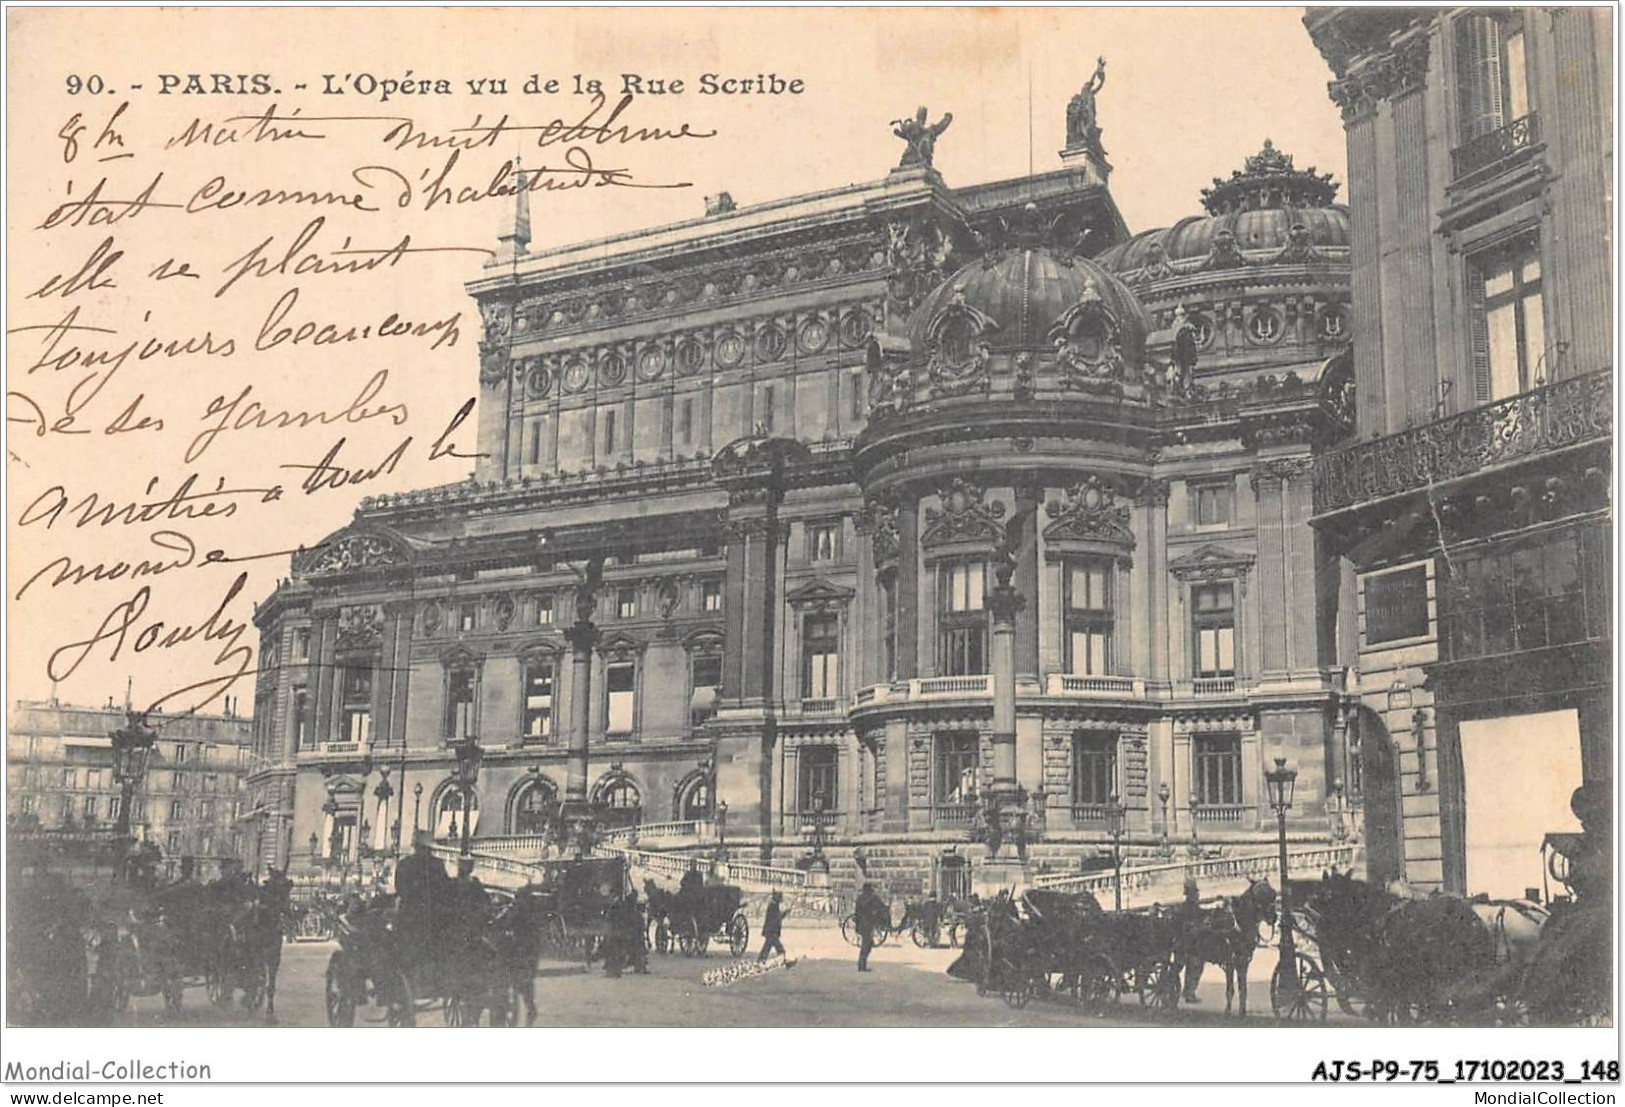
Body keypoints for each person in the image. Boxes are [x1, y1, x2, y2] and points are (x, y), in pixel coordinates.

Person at [1177, 876, 1205, 1003]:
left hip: (1191, 945)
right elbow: (1185, 927)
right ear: (1191, 894)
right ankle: (1188, 993)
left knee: (1194, 967)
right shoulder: (1187, 908)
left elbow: (1203, 914)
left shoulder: (1192, 907)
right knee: (1193, 967)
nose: (1197, 895)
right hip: (1185, 945)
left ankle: (1188, 992)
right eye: (1195, 893)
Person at [854, 883, 886, 972]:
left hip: (861, 923)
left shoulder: (859, 898)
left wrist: (856, 926)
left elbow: (856, 913)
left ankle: (862, 964)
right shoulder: (873, 898)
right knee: (867, 944)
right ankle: (861, 965)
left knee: (867, 943)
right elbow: (881, 907)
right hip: (869, 923)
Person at [758, 891, 787, 963]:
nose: (781, 899)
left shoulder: (773, 904)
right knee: (779, 948)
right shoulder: (773, 905)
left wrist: (784, 914)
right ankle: (784, 961)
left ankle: (760, 960)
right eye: (780, 897)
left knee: (767, 947)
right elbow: (777, 918)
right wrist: (784, 914)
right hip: (772, 931)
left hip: (770, 930)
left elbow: (777, 917)